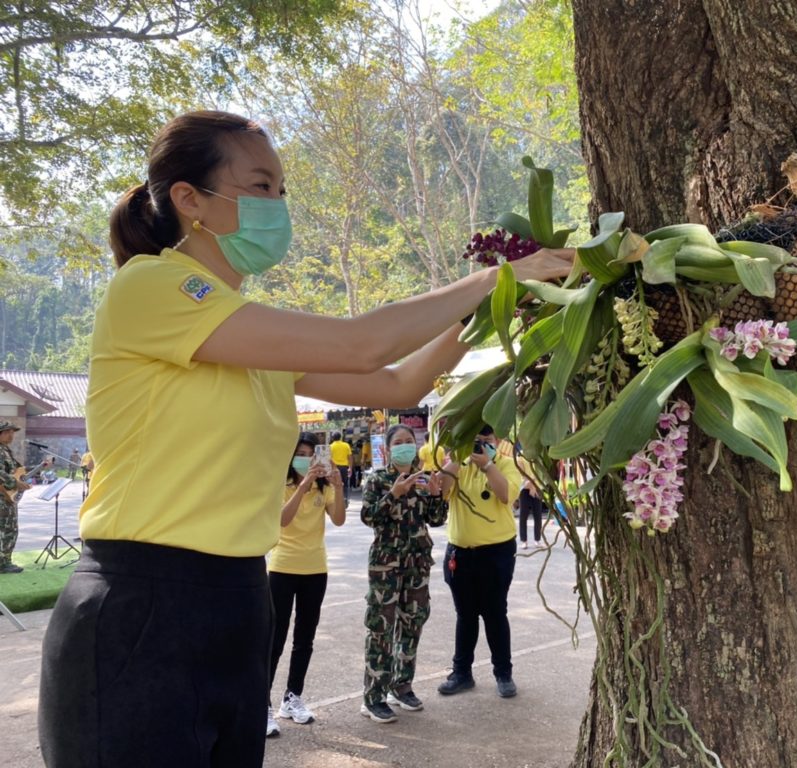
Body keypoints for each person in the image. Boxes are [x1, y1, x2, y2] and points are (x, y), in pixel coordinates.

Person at [37, 110, 573, 768]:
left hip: (238, 600)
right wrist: (497, 277)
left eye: (282, 191)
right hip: (142, 606)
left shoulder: (248, 333)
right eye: (260, 186)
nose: (277, 206)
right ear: (190, 200)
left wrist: (496, 309)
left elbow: (399, 382)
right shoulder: (150, 288)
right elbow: (359, 342)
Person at [359, 424, 447, 723]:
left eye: (410, 441)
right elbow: (369, 517)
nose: (405, 446)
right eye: (399, 442)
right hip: (386, 565)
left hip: (417, 564)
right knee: (381, 628)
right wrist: (393, 495)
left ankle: (402, 686)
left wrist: (436, 495)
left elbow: (436, 520)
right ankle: (374, 696)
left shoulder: (423, 480)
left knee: (412, 625)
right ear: (387, 449)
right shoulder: (378, 480)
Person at [266, 433, 346, 738]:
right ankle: (264, 704)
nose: (306, 458)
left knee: (305, 638)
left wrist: (337, 486)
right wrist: (302, 485)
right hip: (283, 568)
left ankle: (292, 697)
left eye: (311, 454)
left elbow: (338, 519)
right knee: (275, 638)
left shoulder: (323, 487)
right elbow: (282, 521)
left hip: (316, 569)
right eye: (300, 453)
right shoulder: (282, 484)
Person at [436, 425, 522, 698]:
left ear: (498, 442)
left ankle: (503, 674)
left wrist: (487, 466)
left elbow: (505, 494)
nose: (481, 445)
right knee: (465, 615)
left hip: (496, 553)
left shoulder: (506, 464)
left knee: (495, 613)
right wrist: (455, 460)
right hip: (459, 553)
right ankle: (461, 673)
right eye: (476, 440)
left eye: (487, 440)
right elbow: (443, 491)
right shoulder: (460, 464)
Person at [0, 421, 30, 574]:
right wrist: (15, 483)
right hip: (2, 497)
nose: (11, 435)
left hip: (7, 496)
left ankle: (5, 561)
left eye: (12, 432)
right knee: (7, 530)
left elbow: (16, 470)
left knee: (8, 529)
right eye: (7, 432)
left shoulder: (5, 450)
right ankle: (3, 564)